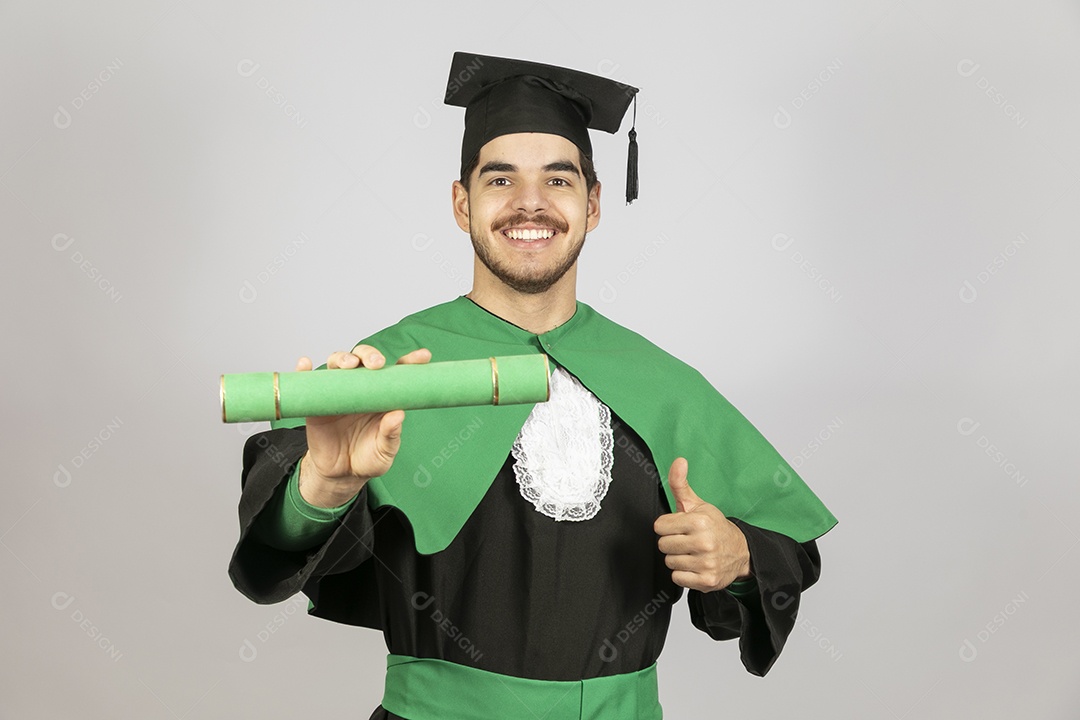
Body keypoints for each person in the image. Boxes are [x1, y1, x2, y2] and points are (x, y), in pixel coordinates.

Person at [229, 52, 836, 720]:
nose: (531, 203)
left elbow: (789, 550)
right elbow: (270, 555)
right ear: (463, 204)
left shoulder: (662, 383)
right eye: (500, 180)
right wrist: (328, 485)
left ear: (593, 203)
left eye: (559, 179)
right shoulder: (394, 370)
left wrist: (741, 554)